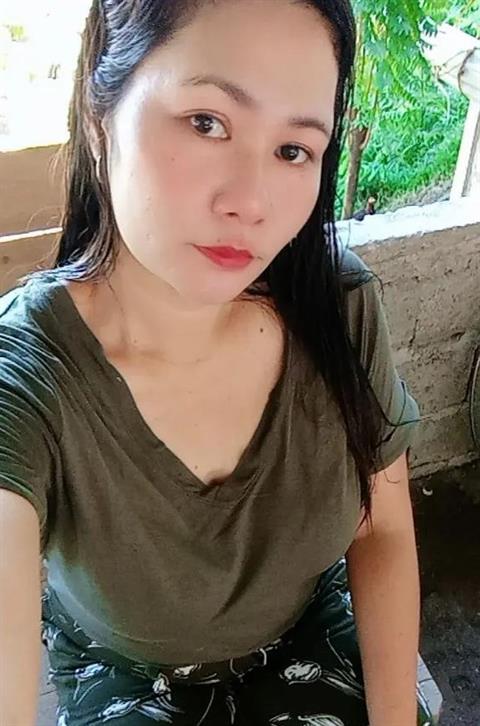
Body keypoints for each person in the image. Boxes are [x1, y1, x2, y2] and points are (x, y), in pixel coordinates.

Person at [0, 1, 434, 725]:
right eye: (206, 122)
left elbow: (380, 527)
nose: (251, 202)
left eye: (293, 150)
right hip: (125, 667)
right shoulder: (30, 372)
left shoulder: (336, 306)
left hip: (305, 629)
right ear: (99, 117)